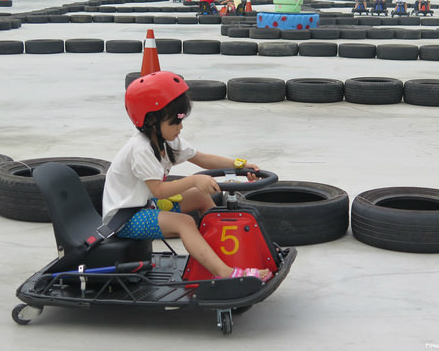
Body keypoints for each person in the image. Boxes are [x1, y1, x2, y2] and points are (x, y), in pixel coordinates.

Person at [102, 71, 272, 281]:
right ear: (152, 120)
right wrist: (193, 180)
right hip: (125, 218)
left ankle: (220, 253)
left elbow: (203, 159)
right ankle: (225, 273)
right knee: (185, 223)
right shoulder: (141, 149)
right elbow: (159, 190)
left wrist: (240, 165)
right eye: (175, 121)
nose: (180, 127)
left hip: (147, 205)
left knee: (200, 196)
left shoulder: (168, 140)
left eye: (182, 119)